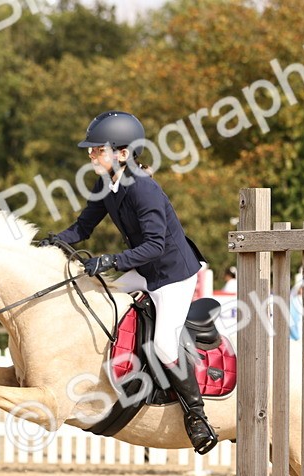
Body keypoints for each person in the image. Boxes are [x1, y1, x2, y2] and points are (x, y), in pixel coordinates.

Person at [36, 111, 218, 455]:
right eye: (90, 151)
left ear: (122, 153)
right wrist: (53, 242)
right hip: (145, 268)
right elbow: (83, 228)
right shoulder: (105, 182)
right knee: (104, 307)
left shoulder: (144, 189)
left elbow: (156, 245)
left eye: (97, 150)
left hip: (172, 274)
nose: (91, 155)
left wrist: (111, 261)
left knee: (165, 343)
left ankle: (197, 417)